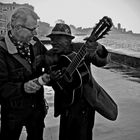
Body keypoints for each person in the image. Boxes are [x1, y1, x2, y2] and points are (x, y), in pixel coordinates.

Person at [46, 23, 114, 140]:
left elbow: (102, 61)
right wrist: (51, 78)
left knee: (83, 135)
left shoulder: (81, 49)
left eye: (58, 39)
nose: (53, 42)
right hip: (66, 100)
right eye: (52, 39)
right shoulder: (50, 55)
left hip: (85, 103)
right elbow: (47, 78)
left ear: (68, 40)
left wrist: (99, 48)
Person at [0, 7, 50, 140]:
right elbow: (1, 87)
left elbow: (50, 61)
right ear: (16, 27)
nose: (36, 33)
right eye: (32, 29)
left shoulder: (36, 43)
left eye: (36, 28)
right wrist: (23, 87)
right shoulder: (1, 51)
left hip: (37, 110)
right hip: (13, 114)